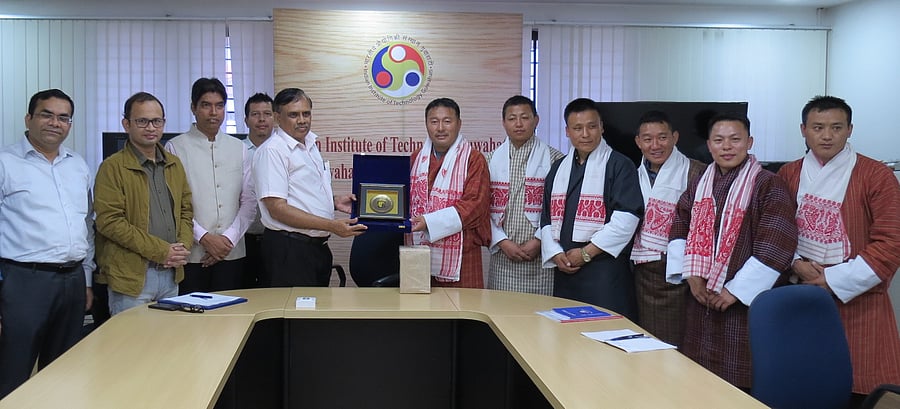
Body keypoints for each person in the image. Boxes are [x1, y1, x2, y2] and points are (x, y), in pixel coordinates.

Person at [777, 95, 900, 398]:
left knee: (860, 390)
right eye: (818, 127)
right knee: (802, 387)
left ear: (850, 130)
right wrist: (795, 262)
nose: (827, 136)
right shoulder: (788, 174)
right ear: (803, 130)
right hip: (799, 291)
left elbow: (891, 241)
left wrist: (830, 279)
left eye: (836, 127)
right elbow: (776, 231)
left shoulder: (876, 175)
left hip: (859, 300)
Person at [667, 112, 797, 389]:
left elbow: (776, 243)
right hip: (701, 295)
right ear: (709, 145)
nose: (726, 147)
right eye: (719, 140)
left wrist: (736, 291)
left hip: (744, 303)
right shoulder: (700, 182)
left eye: (735, 139)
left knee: (740, 377)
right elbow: (680, 222)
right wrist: (691, 276)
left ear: (749, 142)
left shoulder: (768, 183)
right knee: (696, 380)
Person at [0, 89, 95, 398]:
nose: (56, 123)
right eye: (47, 115)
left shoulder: (78, 165)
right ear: (28, 118)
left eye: (63, 117)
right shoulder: (6, 163)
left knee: (64, 372)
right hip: (24, 282)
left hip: (73, 281)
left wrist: (87, 280)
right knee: (14, 372)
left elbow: (86, 226)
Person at [538, 98, 643, 319]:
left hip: (604, 271)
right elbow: (546, 218)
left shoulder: (620, 165)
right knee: (567, 332)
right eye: (577, 128)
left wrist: (586, 253)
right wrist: (556, 253)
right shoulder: (558, 168)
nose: (585, 134)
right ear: (567, 131)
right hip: (566, 269)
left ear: (602, 127)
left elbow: (626, 219)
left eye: (592, 126)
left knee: (605, 330)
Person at [253, 88, 366, 287]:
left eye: (306, 113)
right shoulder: (272, 151)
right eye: (293, 115)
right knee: (294, 307)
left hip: (316, 249)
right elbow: (277, 209)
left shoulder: (310, 144)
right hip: (289, 250)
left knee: (316, 307)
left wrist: (334, 202)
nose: (302, 120)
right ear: (278, 117)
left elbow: (302, 193)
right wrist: (331, 226)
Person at [94, 92, 193, 315]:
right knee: (133, 338)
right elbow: (109, 222)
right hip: (132, 277)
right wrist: (161, 251)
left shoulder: (174, 164)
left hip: (171, 273)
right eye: (142, 121)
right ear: (126, 124)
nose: (150, 128)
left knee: (169, 336)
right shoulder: (112, 167)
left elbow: (186, 210)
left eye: (156, 121)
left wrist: (181, 248)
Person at [165, 78, 256, 294]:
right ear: (193, 108)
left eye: (219, 105)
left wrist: (226, 240)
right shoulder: (175, 148)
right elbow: (173, 204)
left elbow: (249, 201)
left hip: (232, 253)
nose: (213, 112)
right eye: (206, 105)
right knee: (192, 313)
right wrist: (206, 239)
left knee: (232, 312)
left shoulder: (239, 148)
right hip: (192, 255)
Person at [630, 110, 706, 346]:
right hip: (644, 273)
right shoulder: (631, 175)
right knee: (649, 341)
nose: (655, 145)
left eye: (662, 137)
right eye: (648, 139)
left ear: (675, 137)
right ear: (638, 141)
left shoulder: (698, 172)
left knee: (687, 342)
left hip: (688, 273)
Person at [408, 98, 491, 288]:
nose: (440, 128)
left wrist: (429, 222)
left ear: (459, 124)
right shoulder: (416, 158)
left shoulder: (473, 159)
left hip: (462, 254)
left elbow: (475, 205)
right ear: (426, 124)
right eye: (434, 121)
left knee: (463, 306)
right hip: (418, 252)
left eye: (447, 121)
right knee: (421, 305)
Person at [486, 95, 564, 295]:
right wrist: (502, 242)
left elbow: (561, 209)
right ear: (504, 123)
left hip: (541, 255)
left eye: (525, 117)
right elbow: (482, 208)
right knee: (501, 310)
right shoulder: (489, 160)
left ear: (536, 120)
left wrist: (539, 240)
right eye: (512, 118)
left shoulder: (556, 160)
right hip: (503, 256)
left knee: (541, 311)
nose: (518, 124)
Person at [241, 92, 274, 288]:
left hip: (275, 238)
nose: (262, 119)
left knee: (273, 293)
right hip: (242, 239)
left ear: (275, 118)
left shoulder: (283, 151)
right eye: (255, 114)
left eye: (267, 114)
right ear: (246, 120)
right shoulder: (236, 151)